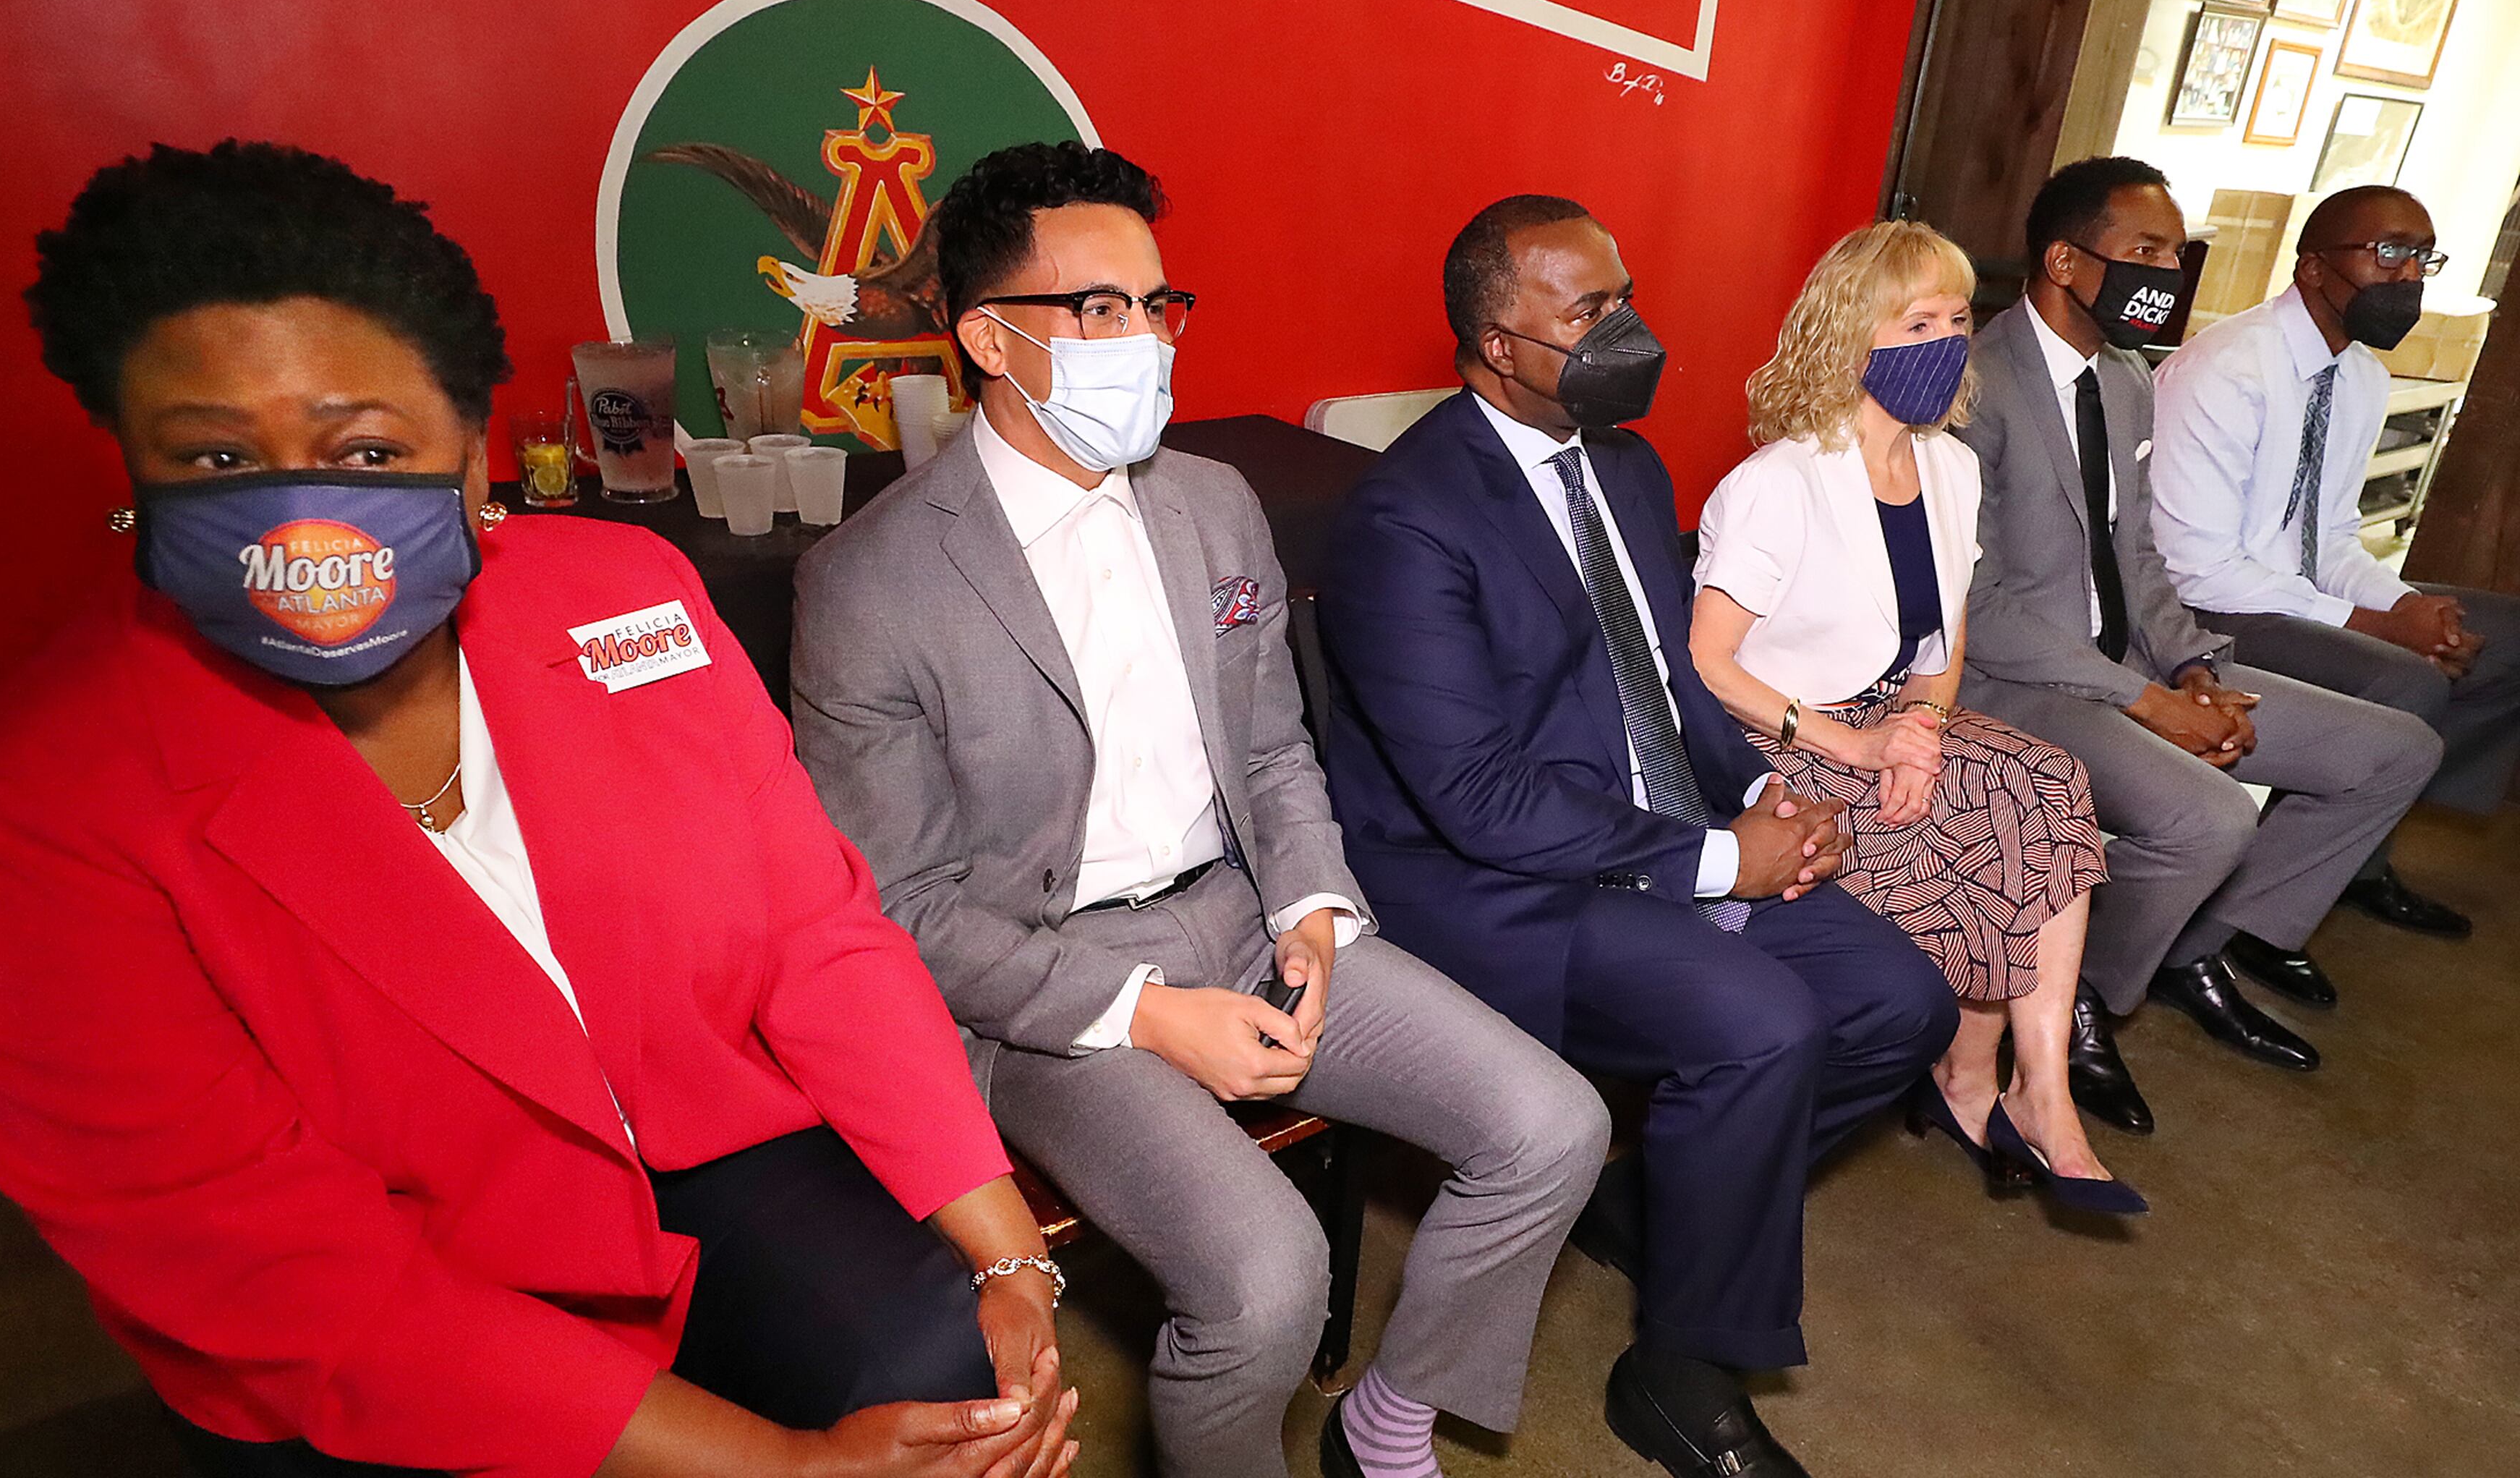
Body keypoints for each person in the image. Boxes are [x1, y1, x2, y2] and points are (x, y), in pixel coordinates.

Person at [0, 142, 1079, 1478]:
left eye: (365, 449)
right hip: (393, 1275)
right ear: (135, 469)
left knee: (957, 1380)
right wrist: (787, 1466)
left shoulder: (625, 595)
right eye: (218, 456)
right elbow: (274, 1272)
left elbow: (820, 936)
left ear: (472, 452)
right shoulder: (18, 811)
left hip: (699, 1154)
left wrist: (1010, 1255)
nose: (298, 523)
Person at [791, 144, 1605, 1478]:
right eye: (1099, 308)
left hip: (1239, 918)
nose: (1147, 341)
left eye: (1157, 305)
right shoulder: (870, 584)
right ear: (989, 339)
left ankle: (1393, 1414)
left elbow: (1276, 748)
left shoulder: (1214, 504)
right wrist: (1150, 1015)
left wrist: (1314, 907)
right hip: (1043, 989)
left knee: (1552, 1126)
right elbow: (907, 910)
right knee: (1269, 1280)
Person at [1321, 195, 1958, 1478]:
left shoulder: (1624, 463)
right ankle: (1681, 1370)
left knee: (1902, 1003)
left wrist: (1761, 797)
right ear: (1499, 344)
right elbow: (1477, 797)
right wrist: (1723, 861)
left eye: (1627, 296)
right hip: (1487, 881)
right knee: (1762, 1025)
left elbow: (1672, 681)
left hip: (1657, 826)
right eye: (1590, 311)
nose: (1630, 330)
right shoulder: (1407, 516)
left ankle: (1655, 1201)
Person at [1957, 156, 2442, 1134]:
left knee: (2395, 750)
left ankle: (2188, 946)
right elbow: (1977, 603)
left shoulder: (2126, 378)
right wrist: (2147, 703)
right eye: (2146, 251)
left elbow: (2140, 556)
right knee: (2212, 819)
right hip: (2015, 678)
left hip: (2133, 661)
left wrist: (2191, 669)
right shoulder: (1974, 380)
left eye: (2177, 255)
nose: (2168, 275)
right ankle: (2078, 994)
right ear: (2064, 260)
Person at [1689, 221, 2133, 1212]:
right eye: (1917, 323)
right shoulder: (1777, 483)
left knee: (2047, 782)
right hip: (1777, 733)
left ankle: (2039, 1089)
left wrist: (1920, 736)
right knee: (1968, 836)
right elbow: (1705, 664)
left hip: (1892, 716)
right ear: (1852, 337)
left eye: (1959, 320)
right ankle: (1967, 1077)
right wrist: (1855, 744)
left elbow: (1946, 642)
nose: (1947, 342)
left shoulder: (1950, 467)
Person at [2153, 184, 2519, 942]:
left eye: (2423, 258)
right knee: (2408, 677)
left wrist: (2407, 608)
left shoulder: (2360, 376)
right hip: (2207, 607)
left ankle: (2347, 847)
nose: (2409, 276)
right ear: (2315, 267)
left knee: (2504, 636)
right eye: (2390, 253)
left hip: (2286, 593)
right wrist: (2380, 627)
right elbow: (2199, 568)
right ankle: (2242, 920)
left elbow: (2334, 538)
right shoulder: (2227, 368)